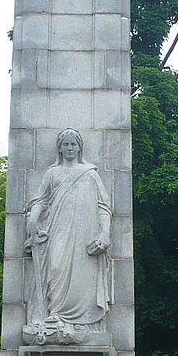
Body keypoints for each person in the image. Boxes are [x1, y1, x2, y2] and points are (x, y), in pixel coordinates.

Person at [23, 128, 111, 342]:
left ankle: (79, 324)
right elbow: (40, 200)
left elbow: (103, 206)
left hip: (84, 236)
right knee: (55, 269)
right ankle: (55, 317)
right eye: (66, 144)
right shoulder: (53, 173)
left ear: (79, 147)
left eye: (73, 144)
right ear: (60, 148)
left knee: (82, 279)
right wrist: (33, 219)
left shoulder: (90, 173)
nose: (70, 148)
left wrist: (105, 233)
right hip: (57, 232)